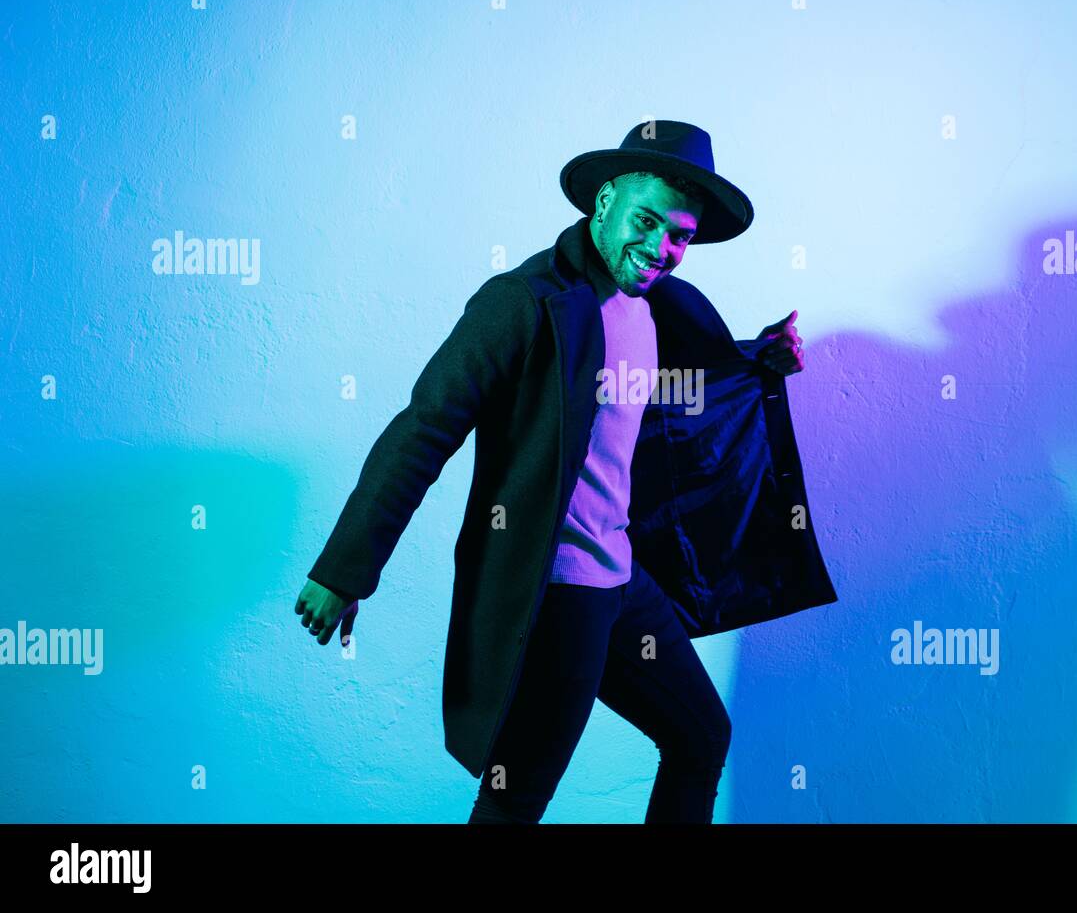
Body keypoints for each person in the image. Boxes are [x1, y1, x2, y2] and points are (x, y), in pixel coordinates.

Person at [295, 120, 834, 823]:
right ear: (604, 200)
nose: (661, 248)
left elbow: (694, 389)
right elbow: (424, 429)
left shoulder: (656, 305)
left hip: (621, 580)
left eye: (680, 236)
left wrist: (761, 357)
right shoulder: (523, 303)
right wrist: (344, 570)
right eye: (648, 220)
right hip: (557, 594)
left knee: (701, 737)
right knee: (515, 797)